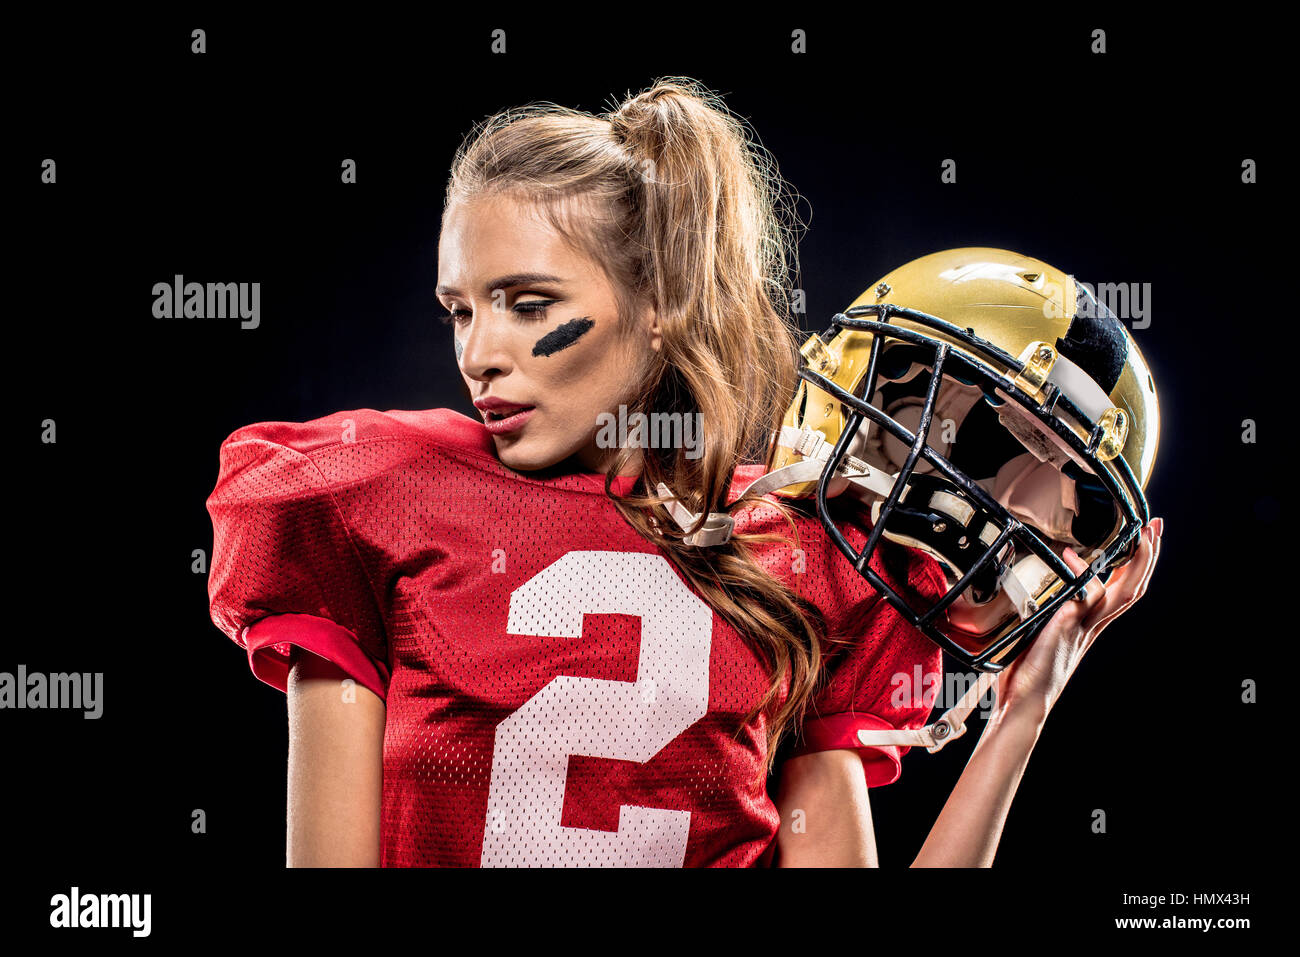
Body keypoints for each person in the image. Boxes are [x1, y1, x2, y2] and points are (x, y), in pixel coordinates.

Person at [205, 77, 1162, 867]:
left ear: (660, 303)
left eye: (528, 303)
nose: (480, 354)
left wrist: (1022, 713)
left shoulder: (787, 553)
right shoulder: (380, 493)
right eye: (461, 309)